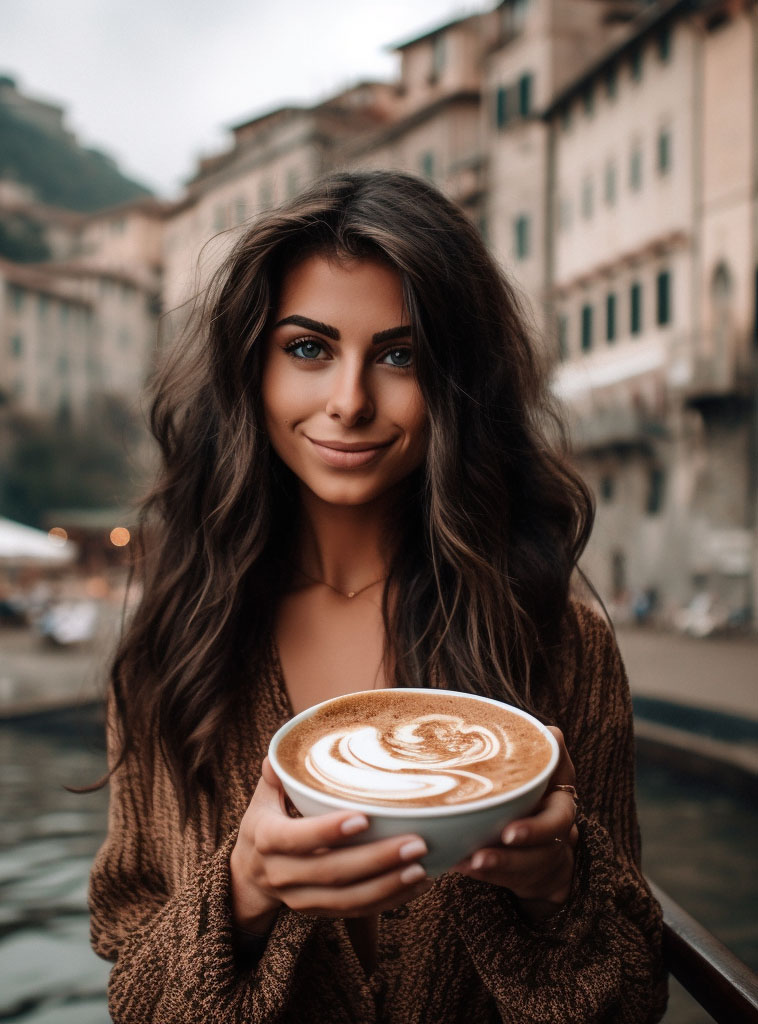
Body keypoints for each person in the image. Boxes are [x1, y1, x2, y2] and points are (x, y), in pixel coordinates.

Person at [88, 170, 667, 1023]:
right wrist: (244, 894)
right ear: (251, 368)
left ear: (459, 386)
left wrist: (559, 891)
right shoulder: (173, 650)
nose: (350, 401)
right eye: (309, 348)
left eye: (401, 356)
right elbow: (136, 995)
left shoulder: (560, 642)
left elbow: (634, 994)